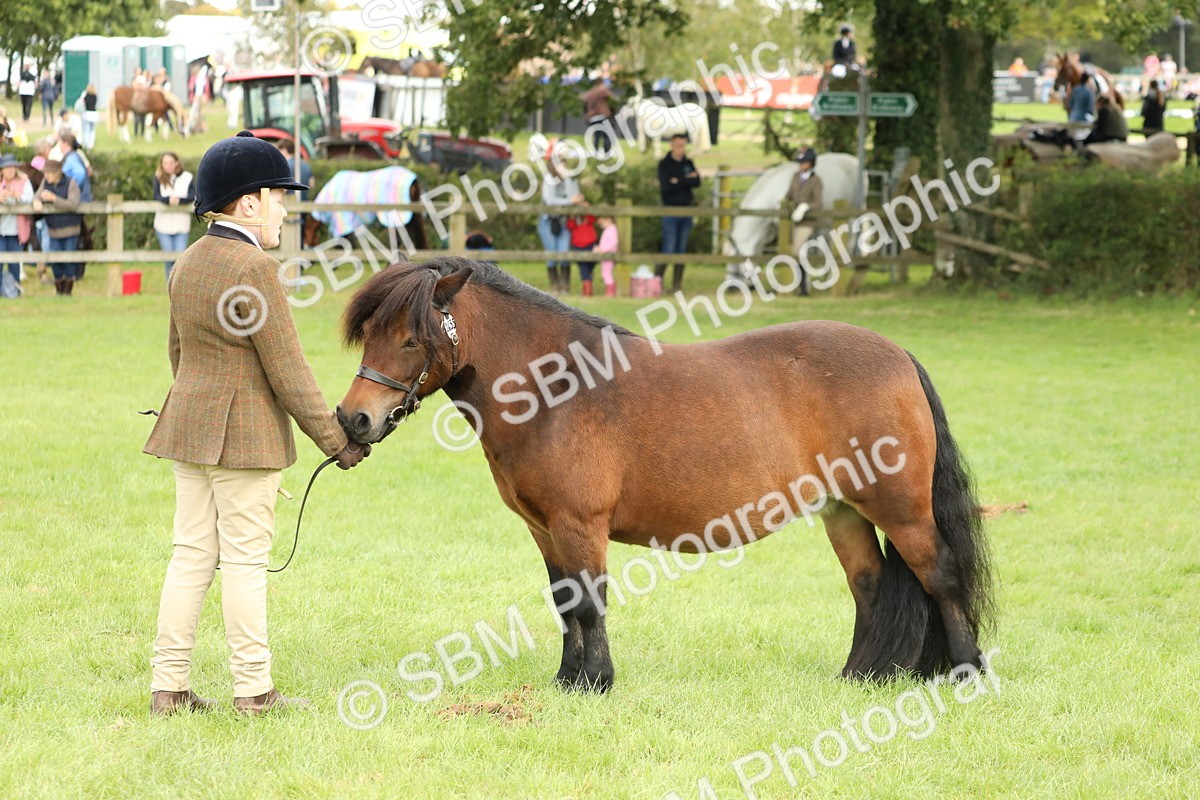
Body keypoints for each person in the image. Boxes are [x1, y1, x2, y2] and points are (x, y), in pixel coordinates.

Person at [143, 131, 370, 718]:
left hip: (188, 433)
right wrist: (338, 441)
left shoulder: (186, 262)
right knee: (245, 561)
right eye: (278, 197)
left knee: (190, 554)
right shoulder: (256, 267)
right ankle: (254, 691)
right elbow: (290, 372)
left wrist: (199, 406)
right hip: (245, 440)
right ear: (248, 203)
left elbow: (179, 354)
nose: (285, 208)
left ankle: (167, 687)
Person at [656, 133, 701, 293]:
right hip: (671, 210)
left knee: (681, 249)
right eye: (678, 145)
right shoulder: (665, 164)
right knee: (669, 247)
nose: (681, 149)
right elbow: (667, 187)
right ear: (672, 145)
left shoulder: (688, 163)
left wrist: (678, 180)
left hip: (686, 210)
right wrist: (686, 179)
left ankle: (676, 286)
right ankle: (657, 282)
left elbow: (697, 182)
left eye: (683, 145)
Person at [31, 159, 81, 296]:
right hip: (53, 229)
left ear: (57, 173)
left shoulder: (71, 183)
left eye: (48, 173)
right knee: (55, 261)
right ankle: (59, 291)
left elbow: (73, 204)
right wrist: (36, 201)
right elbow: (37, 195)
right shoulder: (45, 183)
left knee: (69, 261)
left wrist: (54, 199)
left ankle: (68, 292)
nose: (46, 175)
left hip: (70, 229)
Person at [538, 146, 582, 295]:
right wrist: (570, 200)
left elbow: (576, 196)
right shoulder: (549, 180)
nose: (563, 165)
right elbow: (550, 200)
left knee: (564, 255)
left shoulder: (570, 180)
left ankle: (565, 287)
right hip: (548, 222)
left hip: (564, 223)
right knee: (551, 256)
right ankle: (555, 287)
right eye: (560, 162)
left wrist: (568, 180)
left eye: (564, 162)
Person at [786, 148, 824, 297]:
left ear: (811, 164)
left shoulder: (816, 181)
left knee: (797, 251)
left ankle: (803, 286)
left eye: (804, 163)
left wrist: (805, 207)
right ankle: (792, 284)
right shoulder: (796, 177)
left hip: (807, 222)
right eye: (800, 163)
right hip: (792, 220)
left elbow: (818, 202)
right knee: (788, 251)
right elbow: (789, 194)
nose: (801, 166)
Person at [153, 152, 195, 282]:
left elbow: (192, 196)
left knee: (180, 258)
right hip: (163, 225)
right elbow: (156, 196)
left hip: (181, 225)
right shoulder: (158, 177)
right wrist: (168, 200)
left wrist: (179, 200)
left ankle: (178, 285)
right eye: (165, 163)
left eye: (171, 162)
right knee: (169, 257)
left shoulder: (187, 177)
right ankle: (169, 285)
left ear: (176, 163)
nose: (168, 166)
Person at [0, 154, 34, 297]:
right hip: (1, 230)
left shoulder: (24, 182)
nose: (10, 170)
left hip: (16, 231)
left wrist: (16, 196)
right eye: (7, 167)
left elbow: (30, 198)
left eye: (12, 167)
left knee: (14, 263)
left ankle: (15, 292)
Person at [567, 213, 599, 296]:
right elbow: (570, 226)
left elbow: (592, 219)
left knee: (590, 266)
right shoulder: (574, 216)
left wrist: (585, 209)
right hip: (578, 245)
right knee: (583, 266)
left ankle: (587, 285)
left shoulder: (587, 215)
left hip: (590, 244)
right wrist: (573, 215)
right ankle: (587, 289)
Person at [581, 80, 616, 155]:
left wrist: (587, 114)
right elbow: (612, 100)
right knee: (607, 135)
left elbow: (584, 101)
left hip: (592, 118)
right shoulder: (602, 91)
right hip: (603, 116)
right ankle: (606, 153)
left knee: (596, 135)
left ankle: (595, 152)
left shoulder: (589, 93)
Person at [594, 215, 619, 297]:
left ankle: (610, 292)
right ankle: (610, 291)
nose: (601, 224)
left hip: (608, 255)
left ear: (609, 219)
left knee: (606, 273)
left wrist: (602, 249)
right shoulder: (609, 229)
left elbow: (613, 243)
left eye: (602, 222)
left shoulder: (611, 229)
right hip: (606, 255)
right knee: (605, 273)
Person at [76, 84, 99, 149]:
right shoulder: (95, 96)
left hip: (87, 114)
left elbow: (81, 102)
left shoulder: (85, 97)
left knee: (86, 130)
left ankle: (86, 144)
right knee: (92, 130)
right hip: (94, 114)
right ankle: (91, 143)